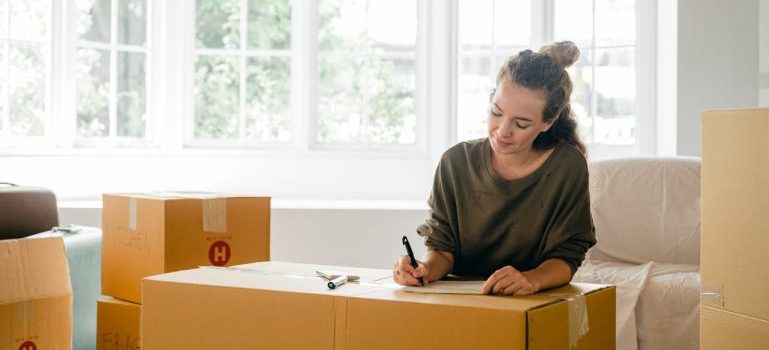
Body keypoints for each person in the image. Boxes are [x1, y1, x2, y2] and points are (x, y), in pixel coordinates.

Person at [393, 41, 596, 296]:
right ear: (491, 99)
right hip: (459, 302)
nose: (502, 132)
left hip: (532, 301)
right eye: (497, 112)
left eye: (521, 124)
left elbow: (568, 255)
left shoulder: (567, 167)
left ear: (549, 121)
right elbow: (442, 249)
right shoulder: (455, 162)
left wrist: (531, 279)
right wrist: (423, 269)